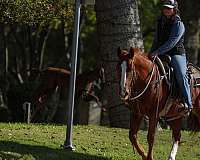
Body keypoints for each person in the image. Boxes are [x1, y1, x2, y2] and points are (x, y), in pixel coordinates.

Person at [149, 0, 192, 113]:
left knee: (181, 74)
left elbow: (172, 42)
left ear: (174, 10)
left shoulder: (179, 24)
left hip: (176, 53)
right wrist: (151, 52)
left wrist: (157, 52)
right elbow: (156, 39)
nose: (166, 10)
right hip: (160, 52)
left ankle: (188, 103)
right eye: (165, 8)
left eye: (169, 8)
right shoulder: (159, 21)